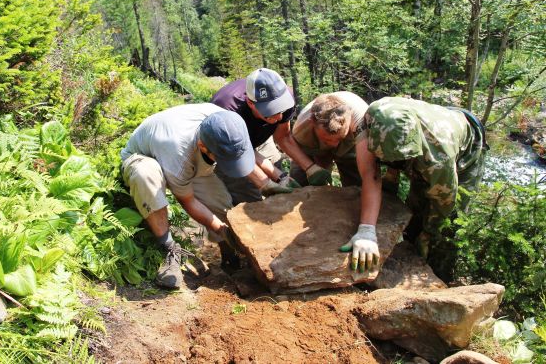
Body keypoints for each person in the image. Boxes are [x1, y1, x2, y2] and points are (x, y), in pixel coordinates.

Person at [120, 103, 260, 289]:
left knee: (221, 204)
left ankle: (230, 255)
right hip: (146, 158)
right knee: (145, 175)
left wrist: (270, 181)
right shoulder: (179, 153)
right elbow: (188, 200)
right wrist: (222, 230)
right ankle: (168, 250)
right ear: (203, 146)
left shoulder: (227, 124)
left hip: (188, 157)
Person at [364, 97, 488, 281]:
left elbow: (444, 201)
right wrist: (390, 182)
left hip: (467, 147)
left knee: (450, 224)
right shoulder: (376, 113)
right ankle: (408, 248)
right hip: (434, 120)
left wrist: (428, 233)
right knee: (414, 209)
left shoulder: (438, 159)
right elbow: (385, 156)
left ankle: (441, 273)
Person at [290, 92, 382, 272]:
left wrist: (367, 231)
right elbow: (292, 145)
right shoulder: (302, 129)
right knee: (298, 187)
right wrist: (311, 168)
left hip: (352, 145)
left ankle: (363, 224)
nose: (333, 144)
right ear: (313, 124)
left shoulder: (362, 121)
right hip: (312, 145)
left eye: (337, 139)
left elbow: (371, 175)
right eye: (327, 139)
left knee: (356, 190)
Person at [211, 68, 331, 204]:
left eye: (280, 109)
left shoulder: (285, 99)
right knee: (248, 195)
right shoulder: (226, 111)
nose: (279, 117)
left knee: (279, 176)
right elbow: (240, 154)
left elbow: (283, 137)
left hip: (260, 135)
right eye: (270, 111)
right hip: (228, 148)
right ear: (251, 103)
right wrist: (265, 183)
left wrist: (309, 169)